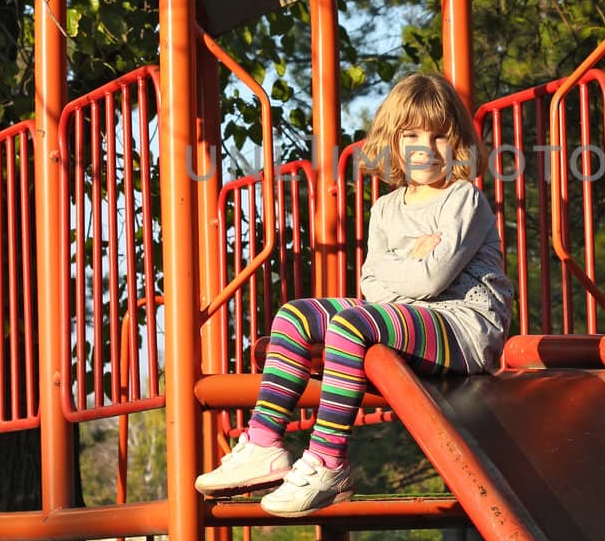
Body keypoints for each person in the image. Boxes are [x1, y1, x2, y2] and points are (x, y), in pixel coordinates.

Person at [196, 72, 514, 515]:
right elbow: (371, 282)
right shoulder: (386, 209)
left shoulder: (463, 198)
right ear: (394, 142)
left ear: (457, 142)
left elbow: (430, 282)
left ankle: (328, 460)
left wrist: (398, 265)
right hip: (406, 319)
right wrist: (412, 256)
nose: (425, 148)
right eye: (412, 135)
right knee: (295, 315)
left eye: (439, 137)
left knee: (351, 322)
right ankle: (264, 443)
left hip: (463, 328)